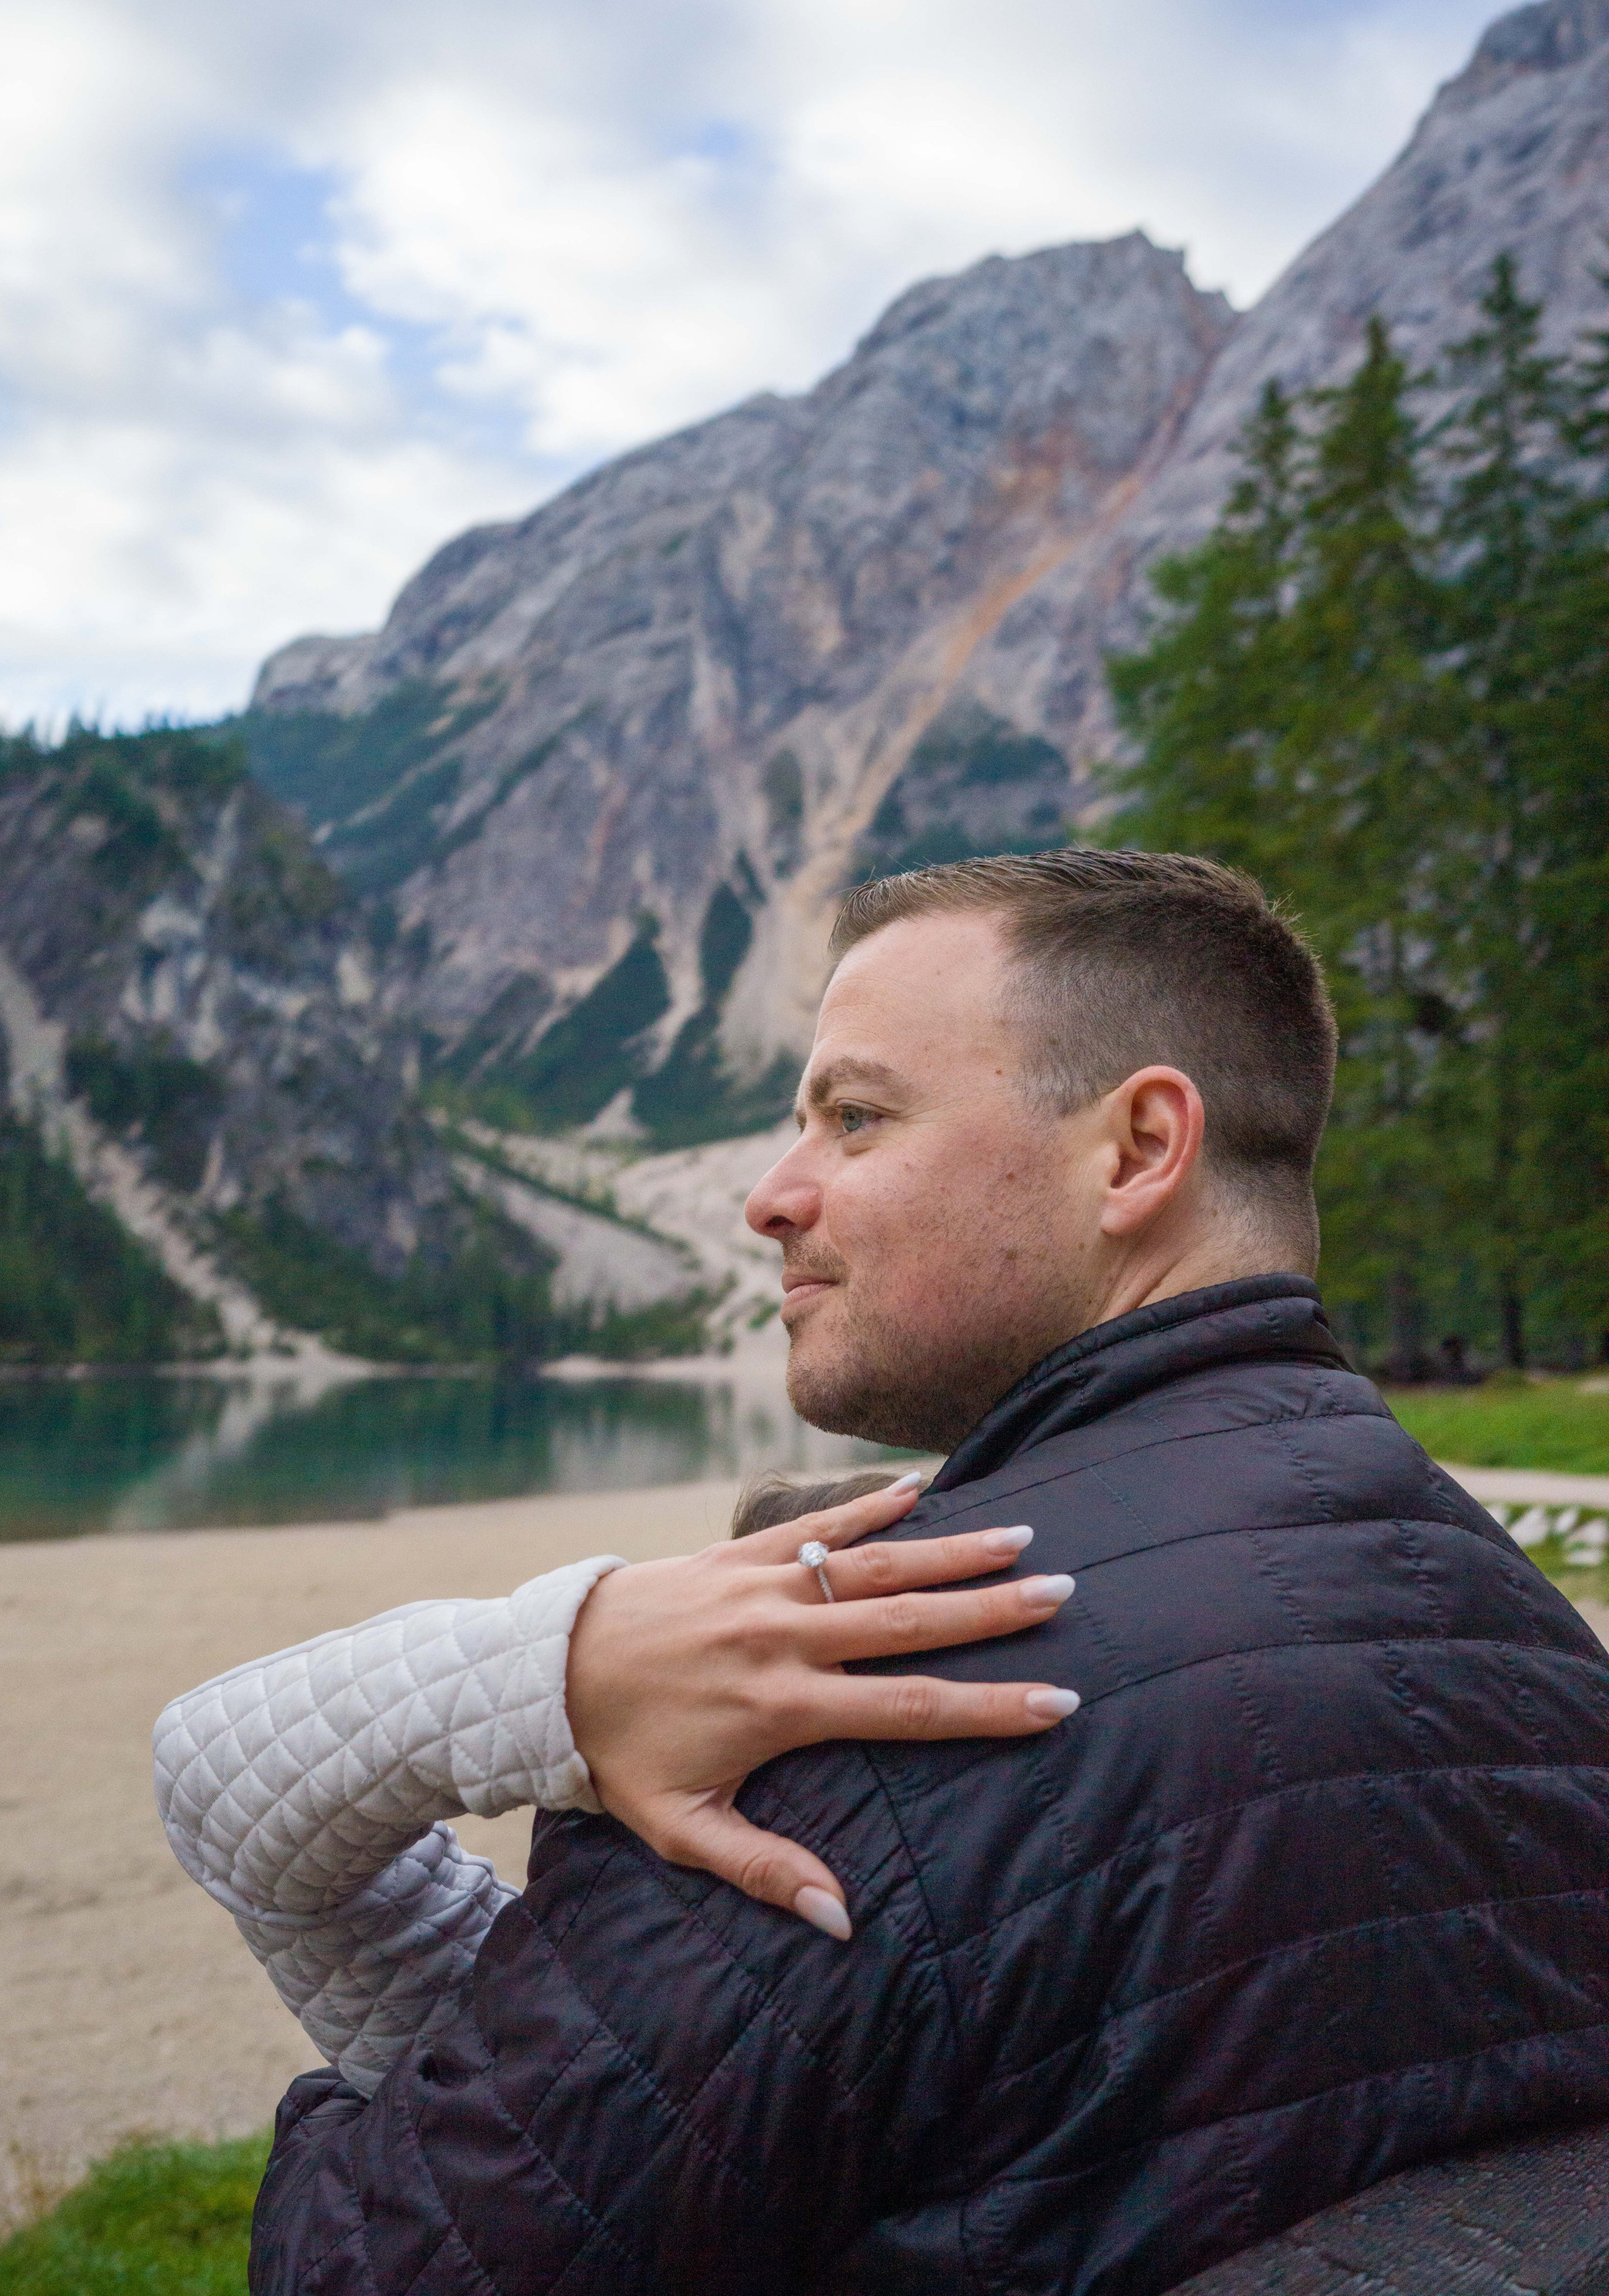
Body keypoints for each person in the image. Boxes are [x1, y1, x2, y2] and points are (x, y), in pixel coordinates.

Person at [156, 850, 1609, 2295]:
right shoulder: (1536, 1640)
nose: (772, 1198)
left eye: (855, 1118)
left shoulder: (866, 1692)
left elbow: (378, 2267)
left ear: (1138, 1149)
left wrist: (548, 1669)